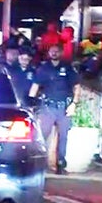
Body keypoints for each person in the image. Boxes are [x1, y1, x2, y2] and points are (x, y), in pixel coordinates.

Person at [30, 44, 79, 174]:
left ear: (61, 52)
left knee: (63, 137)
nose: (54, 53)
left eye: (57, 51)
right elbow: (35, 86)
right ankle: (40, 165)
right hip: (48, 107)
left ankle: (61, 165)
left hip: (64, 107)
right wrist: (31, 103)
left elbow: (77, 86)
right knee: (42, 137)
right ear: (48, 52)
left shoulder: (68, 67)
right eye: (52, 51)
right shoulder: (43, 68)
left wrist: (74, 103)